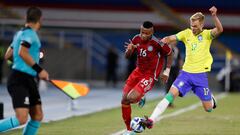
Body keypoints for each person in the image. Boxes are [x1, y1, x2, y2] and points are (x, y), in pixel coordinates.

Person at [141, 6, 223, 129]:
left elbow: (220, 29)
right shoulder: (186, 33)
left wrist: (214, 16)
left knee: (209, 109)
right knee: (170, 95)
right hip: (186, 74)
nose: (192, 28)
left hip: (200, 76)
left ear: (201, 25)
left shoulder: (207, 35)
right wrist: (163, 41)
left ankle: (211, 99)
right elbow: (171, 38)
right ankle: (151, 119)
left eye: (195, 26)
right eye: (191, 25)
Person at [0, 7, 49, 135]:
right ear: (40, 19)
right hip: (20, 79)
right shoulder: (30, 34)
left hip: (28, 79)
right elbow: (22, 52)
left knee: (37, 115)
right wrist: (39, 70)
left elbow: (8, 55)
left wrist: (21, 64)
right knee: (21, 118)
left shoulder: (19, 34)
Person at [121, 21, 173, 135]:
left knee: (131, 98)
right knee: (124, 100)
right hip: (138, 71)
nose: (143, 35)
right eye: (142, 32)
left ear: (152, 32)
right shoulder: (136, 39)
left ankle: (141, 96)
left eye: (146, 33)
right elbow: (127, 56)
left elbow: (170, 53)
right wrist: (129, 50)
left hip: (149, 75)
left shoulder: (157, 43)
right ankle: (129, 130)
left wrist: (167, 70)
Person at [164, 42, 183, 107]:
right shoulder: (167, 49)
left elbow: (180, 59)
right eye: (173, 41)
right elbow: (164, 59)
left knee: (173, 86)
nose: (175, 42)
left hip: (175, 69)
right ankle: (167, 102)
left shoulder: (177, 49)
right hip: (168, 70)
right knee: (168, 86)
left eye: (175, 41)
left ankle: (170, 102)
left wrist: (180, 68)